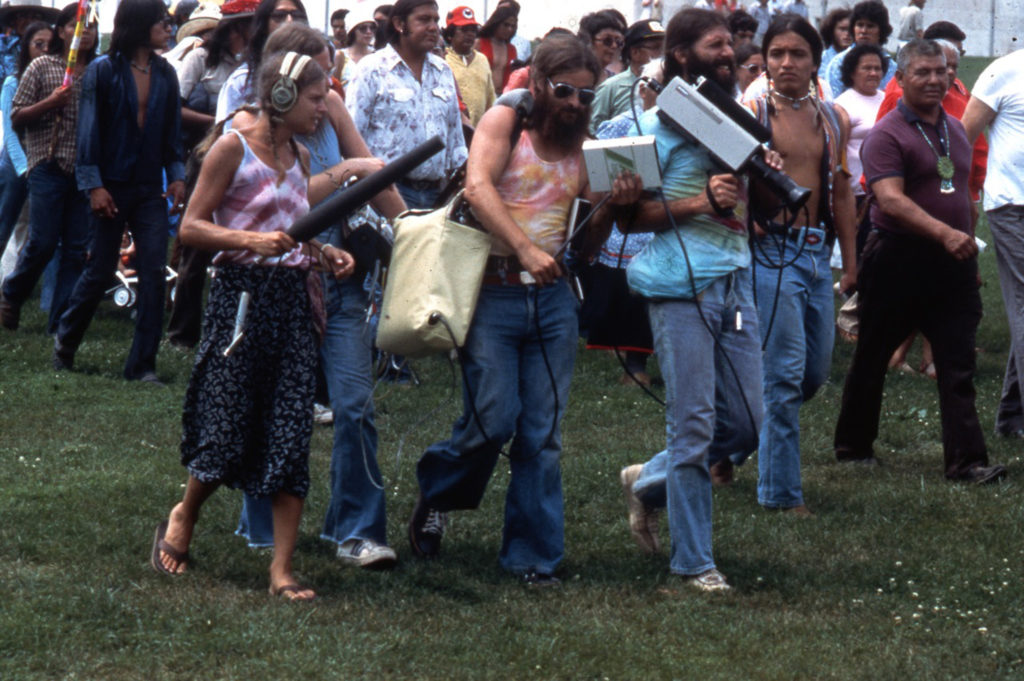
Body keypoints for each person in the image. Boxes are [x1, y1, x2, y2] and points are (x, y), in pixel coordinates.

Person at [407, 33, 641, 585]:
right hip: (492, 290)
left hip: (552, 300)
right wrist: (525, 248)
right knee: (492, 419)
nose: (575, 103)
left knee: (542, 433)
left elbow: (586, 246)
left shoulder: (589, 149)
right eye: (564, 91)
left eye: (586, 95)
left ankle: (532, 557)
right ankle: (436, 490)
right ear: (537, 82)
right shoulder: (505, 124)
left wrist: (612, 206)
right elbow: (477, 188)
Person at [150, 49, 359, 600]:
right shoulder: (232, 148)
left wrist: (323, 254)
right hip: (239, 299)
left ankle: (281, 570)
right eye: (315, 98)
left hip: (292, 303)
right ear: (282, 96)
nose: (323, 108)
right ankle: (184, 513)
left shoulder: (302, 156)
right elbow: (191, 228)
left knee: (290, 431)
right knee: (225, 426)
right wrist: (249, 240)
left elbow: (291, 233)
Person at [618, 9, 777, 591]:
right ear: (682, 55)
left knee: (749, 425)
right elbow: (630, 219)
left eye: (731, 44)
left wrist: (766, 171)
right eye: (715, 45)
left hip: (736, 280)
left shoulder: (732, 124)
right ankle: (694, 563)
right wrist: (700, 203)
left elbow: (764, 206)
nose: (729, 53)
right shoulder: (650, 127)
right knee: (693, 425)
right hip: (679, 289)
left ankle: (647, 482)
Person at [832, 39, 1006, 485]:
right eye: (922, 72)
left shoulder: (955, 129)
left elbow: (962, 194)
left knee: (957, 361)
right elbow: (889, 200)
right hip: (898, 258)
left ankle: (967, 463)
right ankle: (853, 446)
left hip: (953, 264)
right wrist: (945, 234)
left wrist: (967, 249)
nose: (934, 80)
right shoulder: (887, 135)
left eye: (941, 72)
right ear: (902, 79)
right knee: (873, 355)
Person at [745, 15, 857, 514]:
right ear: (766, 60)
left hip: (815, 253)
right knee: (784, 376)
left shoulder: (832, 117)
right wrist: (747, 221)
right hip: (771, 252)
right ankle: (781, 494)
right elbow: (723, 178)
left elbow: (842, 192)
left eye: (797, 54)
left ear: (816, 62)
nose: (786, 62)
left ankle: (726, 449)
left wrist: (850, 264)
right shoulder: (750, 111)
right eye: (777, 53)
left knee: (812, 375)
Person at [50, 0, 184, 382]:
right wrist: (94, 185)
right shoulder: (103, 70)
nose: (168, 27)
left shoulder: (166, 73)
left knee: (154, 271)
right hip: (110, 185)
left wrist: (177, 176)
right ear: (139, 24)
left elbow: (172, 133)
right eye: (161, 21)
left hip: (149, 188)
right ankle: (65, 342)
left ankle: (142, 366)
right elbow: (88, 132)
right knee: (100, 270)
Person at [0, 5, 96, 334]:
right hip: (47, 163)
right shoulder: (42, 66)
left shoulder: (98, 72)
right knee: (42, 241)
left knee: (74, 249)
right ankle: (12, 293)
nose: (84, 32)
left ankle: (60, 324)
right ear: (63, 32)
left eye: (90, 27)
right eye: (76, 26)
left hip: (84, 168)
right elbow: (17, 116)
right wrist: (51, 103)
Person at [347, 0, 466, 210]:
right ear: (399, 24)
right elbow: (352, 134)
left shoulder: (443, 71)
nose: (433, 27)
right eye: (424, 19)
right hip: (385, 193)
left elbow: (455, 139)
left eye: (435, 20)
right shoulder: (371, 69)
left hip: (436, 196)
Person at [961, 48, 1024, 439]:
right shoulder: (1004, 71)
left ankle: (1012, 418)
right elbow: (962, 137)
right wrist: (955, 200)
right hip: (1012, 206)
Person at [0, 20, 49, 263]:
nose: (45, 50)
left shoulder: (53, 83)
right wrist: (23, 168)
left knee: (33, 230)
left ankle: (14, 277)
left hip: (41, 162)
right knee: (4, 224)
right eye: (39, 44)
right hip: (16, 163)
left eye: (50, 45)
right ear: (27, 46)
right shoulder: (13, 82)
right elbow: (10, 135)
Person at [833, 43, 888, 256]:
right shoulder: (842, 104)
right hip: (855, 192)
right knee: (859, 250)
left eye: (877, 68)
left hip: (884, 188)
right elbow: (837, 152)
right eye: (867, 68)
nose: (873, 73)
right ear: (852, 72)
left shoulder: (888, 99)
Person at [215, 0, 308, 122]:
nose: (290, 21)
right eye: (279, 16)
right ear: (264, 25)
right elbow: (227, 128)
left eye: (297, 15)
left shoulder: (315, 73)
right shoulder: (242, 80)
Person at [588, 19, 664, 135]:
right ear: (635, 52)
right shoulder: (612, 87)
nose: (663, 53)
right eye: (656, 47)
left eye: (665, 47)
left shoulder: (670, 84)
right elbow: (592, 130)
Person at [824, 1, 896, 98]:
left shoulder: (892, 67)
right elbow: (832, 100)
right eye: (860, 25)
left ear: (881, 31)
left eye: (870, 26)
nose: (863, 31)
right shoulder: (838, 63)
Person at [443, 5, 493, 128]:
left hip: (479, 130)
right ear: (450, 34)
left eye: (473, 30)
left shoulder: (482, 60)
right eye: (464, 30)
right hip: (451, 129)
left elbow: (490, 97)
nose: (470, 34)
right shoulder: (444, 60)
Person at [0, 0, 59, 84]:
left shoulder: (52, 46)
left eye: (35, 17)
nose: (29, 21)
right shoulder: (2, 45)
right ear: (13, 21)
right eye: (23, 16)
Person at [578, 11, 627, 83]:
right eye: (607, 40)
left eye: (618, 42)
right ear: (588, 41)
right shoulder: (575, 78)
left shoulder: (615, 81)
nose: (614, 46)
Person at [338, 5, 376, 91]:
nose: (369, 32)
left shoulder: (378, 56)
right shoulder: (340, 56)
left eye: (372, 28)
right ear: (352, 31)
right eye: (363, 28)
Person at [818, 8, 852, 80]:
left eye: (850, 29)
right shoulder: (821, 59)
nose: (847, 33)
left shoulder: (861, 58)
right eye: (842, 29)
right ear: (831, 31)